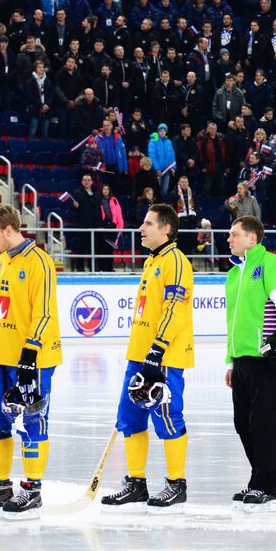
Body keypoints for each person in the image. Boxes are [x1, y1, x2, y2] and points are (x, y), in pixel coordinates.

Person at [0, 204, 61, 518]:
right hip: (3, 358)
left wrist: (30, 354)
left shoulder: (40, 261)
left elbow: (44, 313)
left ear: (8, 230)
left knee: (33, 420)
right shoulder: (5, 259)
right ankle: (1, 487)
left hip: (33, 359)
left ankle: (32, 490)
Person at [101, 204, 196, 513]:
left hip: (164, 357)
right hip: (139, 356)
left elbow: (175, 310)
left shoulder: (176, 262)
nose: (141, 228)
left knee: (167, 416)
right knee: (129, 417)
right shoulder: (151, 262)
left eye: (148, 223)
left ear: (165, 229)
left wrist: (157, 350)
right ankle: (136, 483)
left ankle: (176, 483)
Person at [224, 215, 276, 510]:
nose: (229, 239)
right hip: (243, 359)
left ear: (252, 239)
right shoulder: (234, 274)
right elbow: (232, 322)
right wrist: (230, 360)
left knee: (264, 423)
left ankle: (268, 486)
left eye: (234, 235)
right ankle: (258, 478)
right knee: (243, 423)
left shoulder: (271, 265)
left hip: (266, 359)